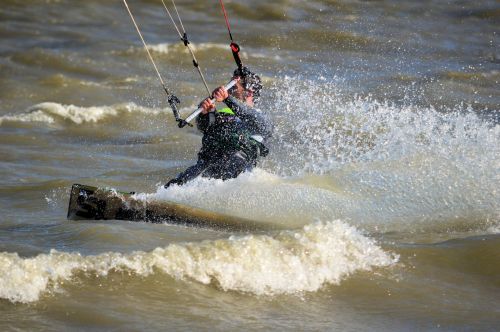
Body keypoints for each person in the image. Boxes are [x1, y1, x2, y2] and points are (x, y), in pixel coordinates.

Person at [164, 67, 273, 188]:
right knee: (173, 186)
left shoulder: (260, 117)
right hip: (208, 162)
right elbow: (204, 128)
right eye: (229, 85)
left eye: (234, 86)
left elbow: (254, 120)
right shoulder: (224, 111)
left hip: (237, 165)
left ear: (249, 92)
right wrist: (205, 114)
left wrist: (227, 99)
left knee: (221, 170)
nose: (229, 89)